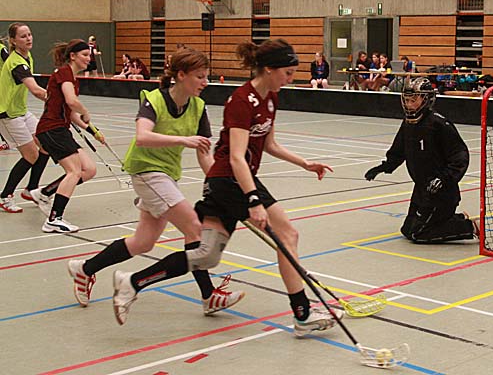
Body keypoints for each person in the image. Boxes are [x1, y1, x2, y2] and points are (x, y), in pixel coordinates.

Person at [111, 39, 343, 337]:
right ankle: (302, 313)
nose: (290, 78)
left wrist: (304, 163)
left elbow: (269, 144)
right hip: (231, 180)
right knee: (288, 234)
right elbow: (235, 157)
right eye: (287, 72)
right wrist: (253, 200)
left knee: (206, 255)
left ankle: (132, 282)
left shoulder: (271, 98)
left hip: (232, 181)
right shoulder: (241, 101)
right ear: (269, 69)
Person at [67, 47, 244, 315]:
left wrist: (220, 186)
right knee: (195, 229)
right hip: (146, 171)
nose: (205, 83)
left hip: (167, 175)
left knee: (143, 242)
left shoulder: (198, 107)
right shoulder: (155, 100)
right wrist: (183, 139)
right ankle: (208, 296)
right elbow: (143, 137)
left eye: (206, 77)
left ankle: (84, 269)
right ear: (181, 75)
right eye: (199, 77)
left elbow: (204, 154)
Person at [364, 77, 478, 243]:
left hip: (441, 192)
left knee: (417, 234)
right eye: (407, 100)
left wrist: (444, 179)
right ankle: (456, 218)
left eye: (413, 100)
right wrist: (384, 167)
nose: (409, 104)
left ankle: (470, 227)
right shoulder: (408, 123)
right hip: (422, 189)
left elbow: (459, 156)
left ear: (426, 100)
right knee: (407, 230)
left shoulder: (439, 124)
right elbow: (399, 150)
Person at [34, 40, 104, 233]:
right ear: (72, 56)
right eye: (85, 55)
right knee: (74, 171)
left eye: (90, 56)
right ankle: (54, 219)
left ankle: (44, 193)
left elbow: (72, 114)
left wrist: (93, 131)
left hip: (61, 129)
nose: (88, 59)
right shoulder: (64, 73)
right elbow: (72, 102)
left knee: (89, 169)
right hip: (52, 129)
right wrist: (86, 111)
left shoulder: (73, 79)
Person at [0, 23, 50, 213]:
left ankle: (31, 189)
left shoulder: (27, 56)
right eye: (23, 36)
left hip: (21, 111)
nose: (28, 38)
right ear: (13, 41)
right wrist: (58, 100)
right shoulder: (16, 63)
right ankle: (5, 196)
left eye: (29, 34)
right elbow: (36, 90)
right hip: (7, 114)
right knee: (31, 155)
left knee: (46, 144)